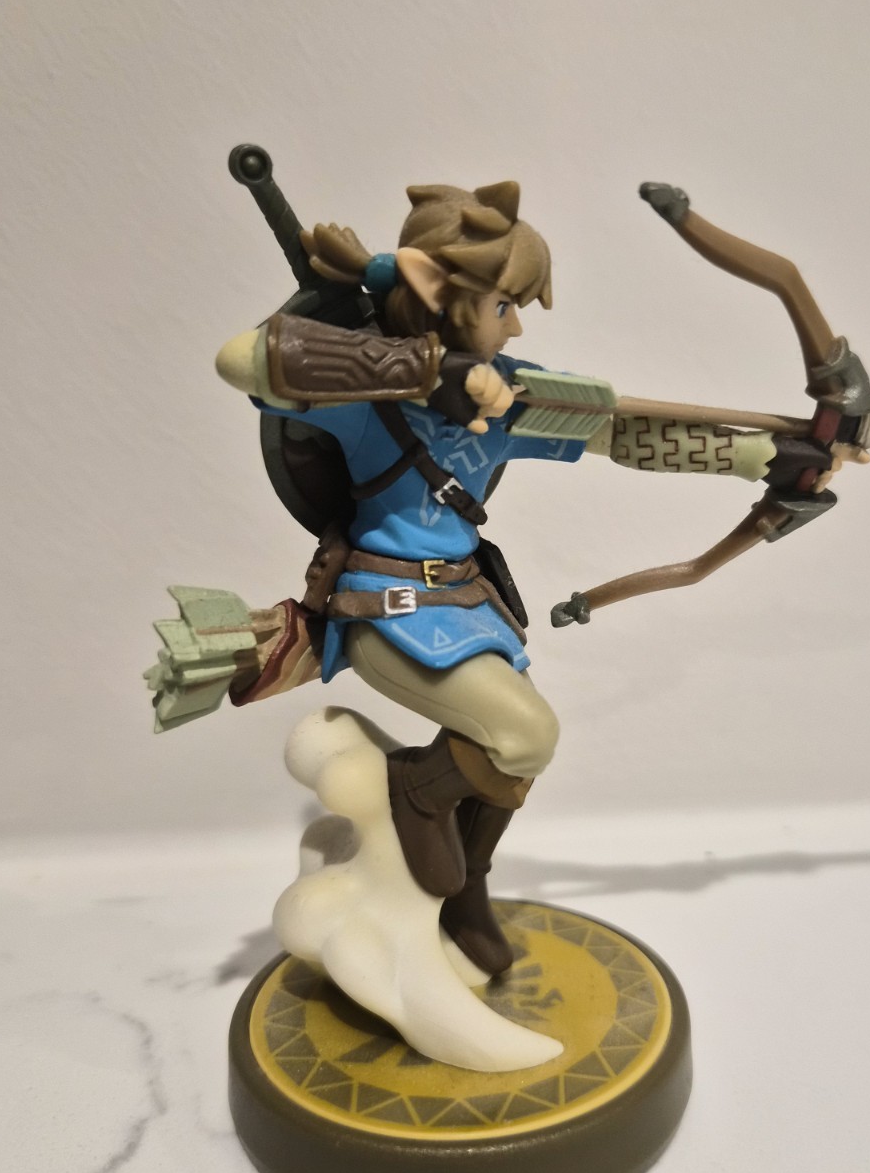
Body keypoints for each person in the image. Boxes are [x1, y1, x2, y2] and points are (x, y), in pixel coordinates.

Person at [213, 179, 785, 975]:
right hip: (386, 608)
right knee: (528, 734)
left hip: (465, 603)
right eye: (503, 306)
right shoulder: (369, 403)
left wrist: (762, 458)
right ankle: (415, 793)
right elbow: (241, 360)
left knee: (515, 753)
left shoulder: (509, 391)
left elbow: (616, 433)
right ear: (442, 299)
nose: (515, 325)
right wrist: (421, 368)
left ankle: (469, 884)